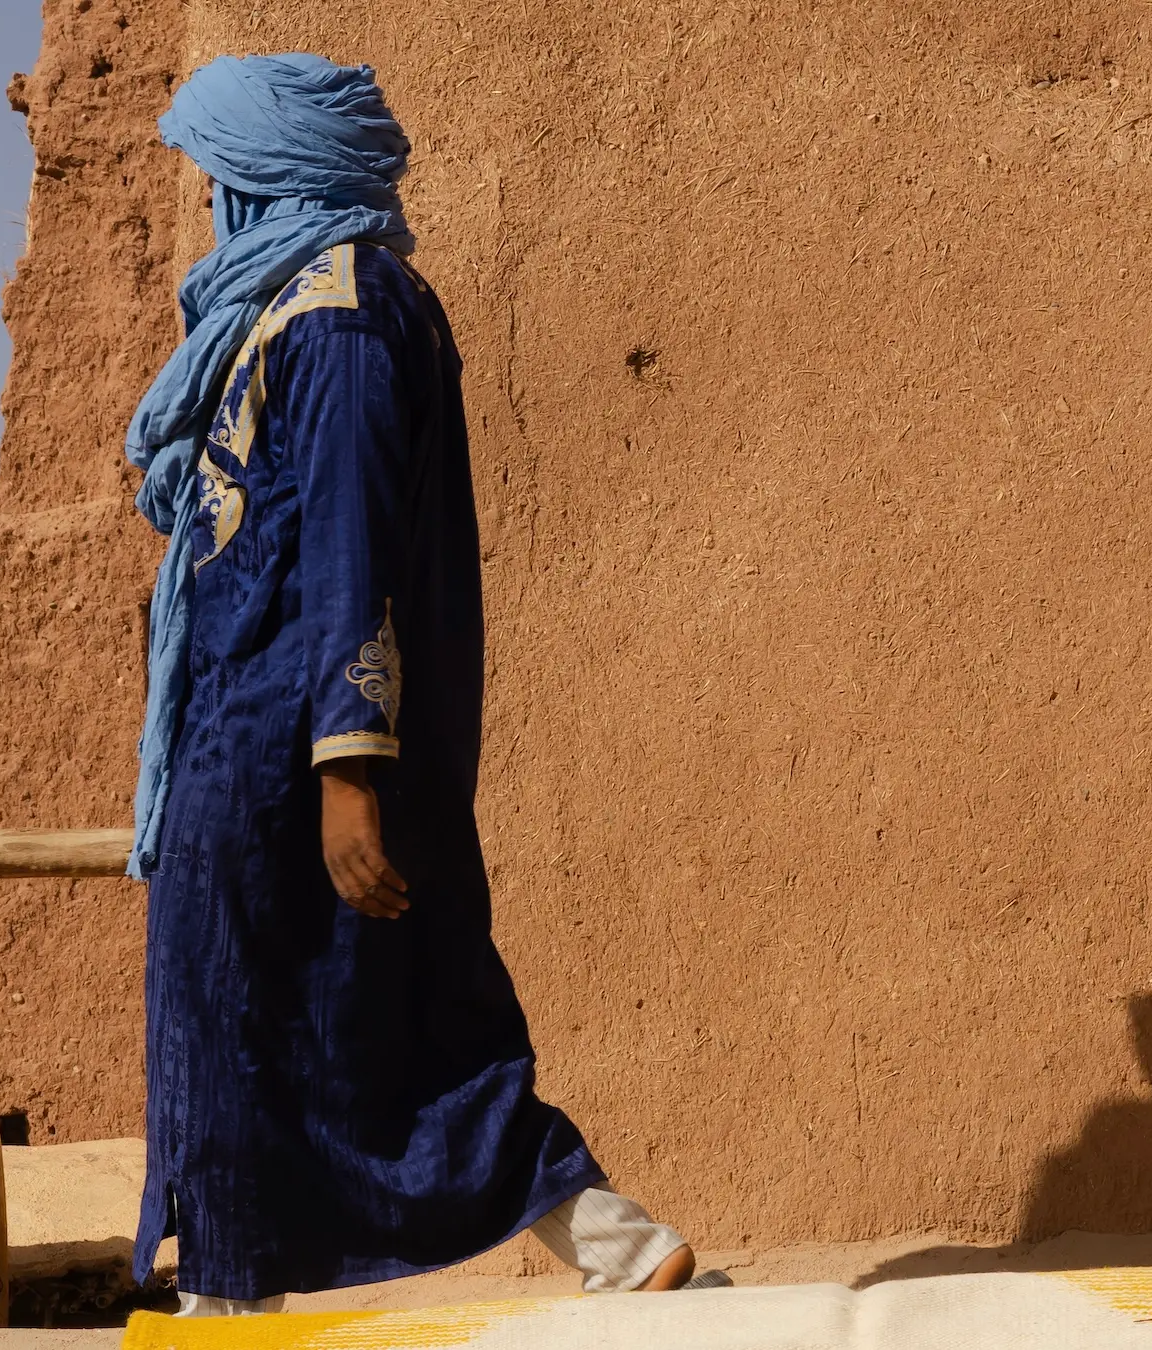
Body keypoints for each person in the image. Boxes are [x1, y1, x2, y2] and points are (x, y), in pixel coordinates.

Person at [119, 54, 722, 1312]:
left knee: (247, 1025)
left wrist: (348, 769)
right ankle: (618, 1243)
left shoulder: (335, 320)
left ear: (270, 176)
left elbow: (351, 548)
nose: (214, 199)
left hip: (283, 764)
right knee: (400, 1023)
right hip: (262, 746)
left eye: (222, 174)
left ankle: (227, 1309)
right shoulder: (303, 309)